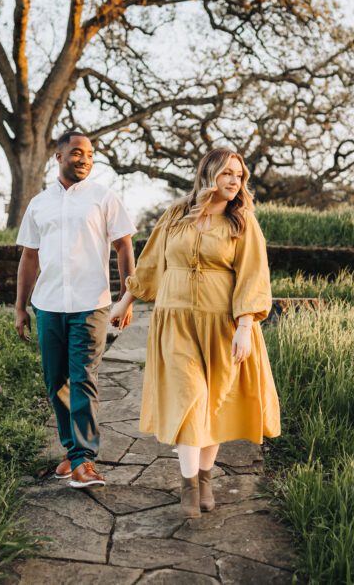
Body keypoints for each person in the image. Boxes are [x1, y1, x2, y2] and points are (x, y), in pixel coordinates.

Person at [108, 147, 281, 518]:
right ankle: (188, 487)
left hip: (222, 323)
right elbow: (152, 262)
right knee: (191, 398)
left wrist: (246, 326)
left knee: (213, 403)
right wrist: (125, 301)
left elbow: (253, 274)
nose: (235, 181)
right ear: (208, 174)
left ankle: (205, 478)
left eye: (239, 175)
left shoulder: (243, 222)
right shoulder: (176, 215)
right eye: (227, 173)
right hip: (175, 321)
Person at [15, 131, 136, 489]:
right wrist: (21, 307)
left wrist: (127, 297)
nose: (84, 159)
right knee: (57, 383)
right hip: (48, 306)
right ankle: (72, 452)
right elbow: (29, 257)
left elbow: (124, 249)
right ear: (59, 156)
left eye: (90, 154)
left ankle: (84, 460)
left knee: (82, 378)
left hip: (91, 305)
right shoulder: (39, 204)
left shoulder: (104, 198)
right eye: (77, 153)